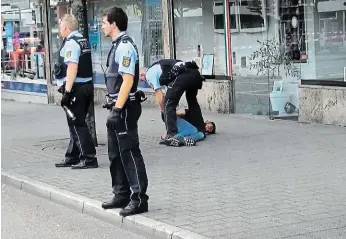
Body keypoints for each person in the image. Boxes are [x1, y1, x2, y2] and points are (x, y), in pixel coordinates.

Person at [100, 6, 149, 217]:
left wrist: (118, 109)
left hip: (125, 108)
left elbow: (128, 80)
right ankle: (121, 194)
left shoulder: (125, 47)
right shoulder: (116, 45)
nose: (101, 26)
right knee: (115, 154)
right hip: (116, 107)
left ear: (113, 24)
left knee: (129, 152)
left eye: (104, 22)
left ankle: (139, 199)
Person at [53, 14, 98, 169]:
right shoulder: (82, 40)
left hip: (76, 89)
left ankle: (90, 159)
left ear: (66, 27)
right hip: (86, 86)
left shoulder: (72, 43)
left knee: (78, 124)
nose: (60, 29)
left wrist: (67, 91)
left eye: (60, 26)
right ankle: (72, 156)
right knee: (74, 123)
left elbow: (72, 67)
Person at [140, 60, 205, 147]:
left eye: (143, 80)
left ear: (142, 74)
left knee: (167, 104)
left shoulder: (149, 74)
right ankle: (200, 128)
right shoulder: (162, 69)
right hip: (195, 73)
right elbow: (173, 93)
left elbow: (160, 95)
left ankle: (172, 134)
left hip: (183, 74)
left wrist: (163, 112)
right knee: (192, 100)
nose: (145, 82)